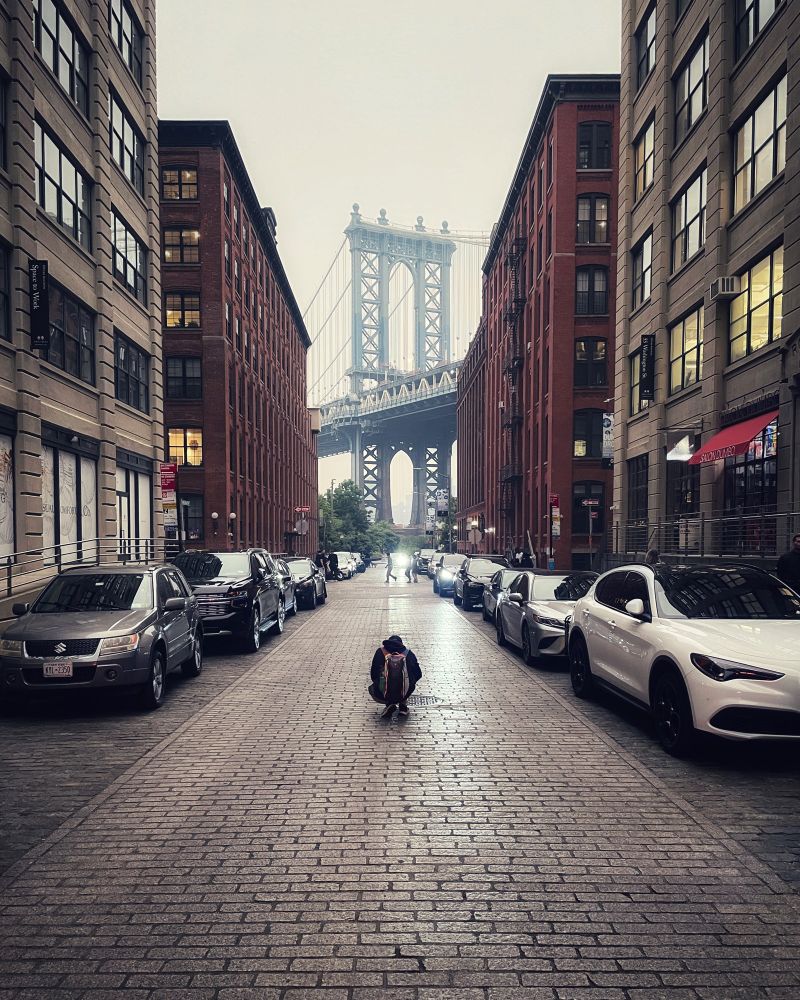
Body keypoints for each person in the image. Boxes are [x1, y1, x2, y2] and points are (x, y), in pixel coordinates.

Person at [369, 634, 422, 719]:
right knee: (408, 683)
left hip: (383, 690)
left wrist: (379, 682)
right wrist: (410, 681)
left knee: (373, 688)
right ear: (401, 644)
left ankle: (389, 703)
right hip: (405, 690)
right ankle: (403, 706)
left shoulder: (380, 652)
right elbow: (418, 674)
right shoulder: (408, 653)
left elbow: (373, 673)